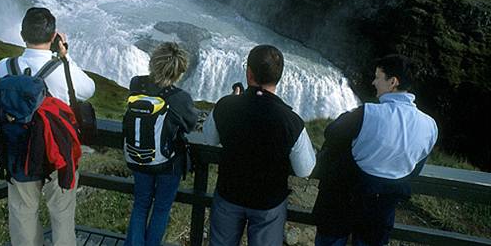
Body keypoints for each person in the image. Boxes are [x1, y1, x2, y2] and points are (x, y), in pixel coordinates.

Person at [0, 7, 95, 246]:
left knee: (23, 214)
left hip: (19, 153)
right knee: (62, 214)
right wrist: (65, 56)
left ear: (22, 34)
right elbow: (89, 89)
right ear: (53, 37)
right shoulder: (62, 69)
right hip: (58, 154)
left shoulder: (3, 67)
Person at [312, 54, 438, 246]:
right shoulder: (429, 126)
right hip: (381, 212)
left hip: (341, 204)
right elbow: (415, 168)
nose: (373, 82)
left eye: (378, 77)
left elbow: (332, 133)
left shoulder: (366, 113)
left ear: (393, 82)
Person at [203, 45, 316, 246]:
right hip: (268, 204)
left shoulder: (225, 105)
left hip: (229, 194)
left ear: (249, 73)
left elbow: (210, 139)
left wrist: (234, 100)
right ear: (279, 77)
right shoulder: (291, 121)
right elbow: (304, 169)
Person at [124, 42, 199, 246]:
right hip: (169, 163)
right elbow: (191, 124)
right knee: (161, 208)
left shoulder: (136, 83)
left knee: (141, 205)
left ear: (152, 63)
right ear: (179, 72)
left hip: (140, 155)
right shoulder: (180, 98)